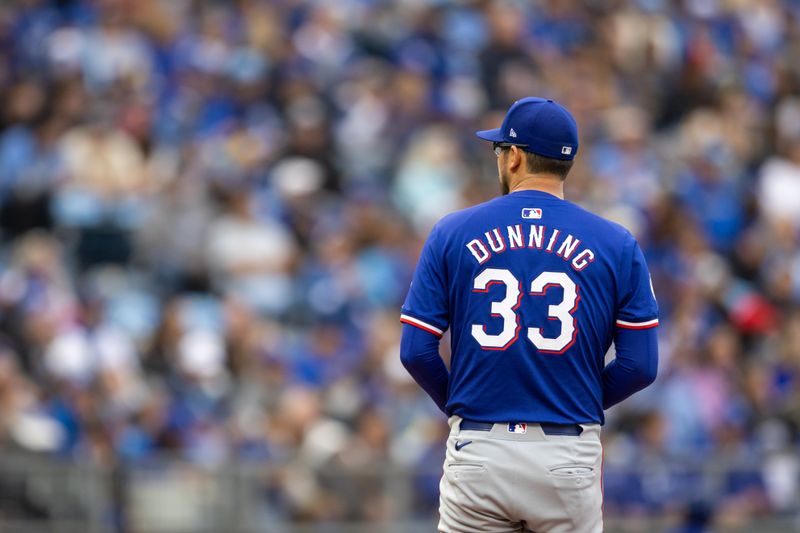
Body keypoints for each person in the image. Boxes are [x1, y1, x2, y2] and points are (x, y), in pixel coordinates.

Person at [399, 97, 659, 532]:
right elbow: (640, 365)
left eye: (499, 150)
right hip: (566, 453)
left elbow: (415, 352)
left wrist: (462, 405)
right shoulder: (616, 242)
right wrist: (579, 400)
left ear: (515, 156)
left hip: (480, 447)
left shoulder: (453, 230)